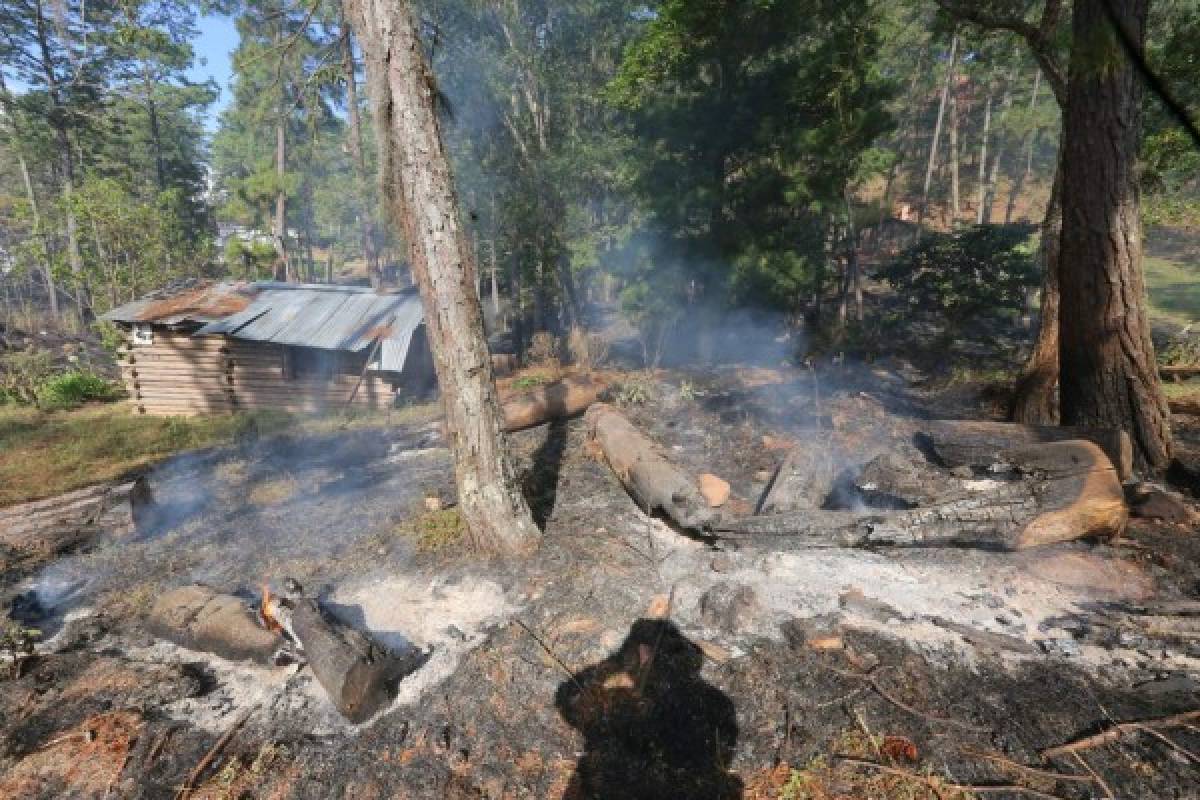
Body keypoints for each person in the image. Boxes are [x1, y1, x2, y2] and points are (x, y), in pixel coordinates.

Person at [555, 618, 742, 800]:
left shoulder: (632, 709)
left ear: (643, 656)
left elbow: (568, 700)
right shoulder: (720, 703)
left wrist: (614, 663)